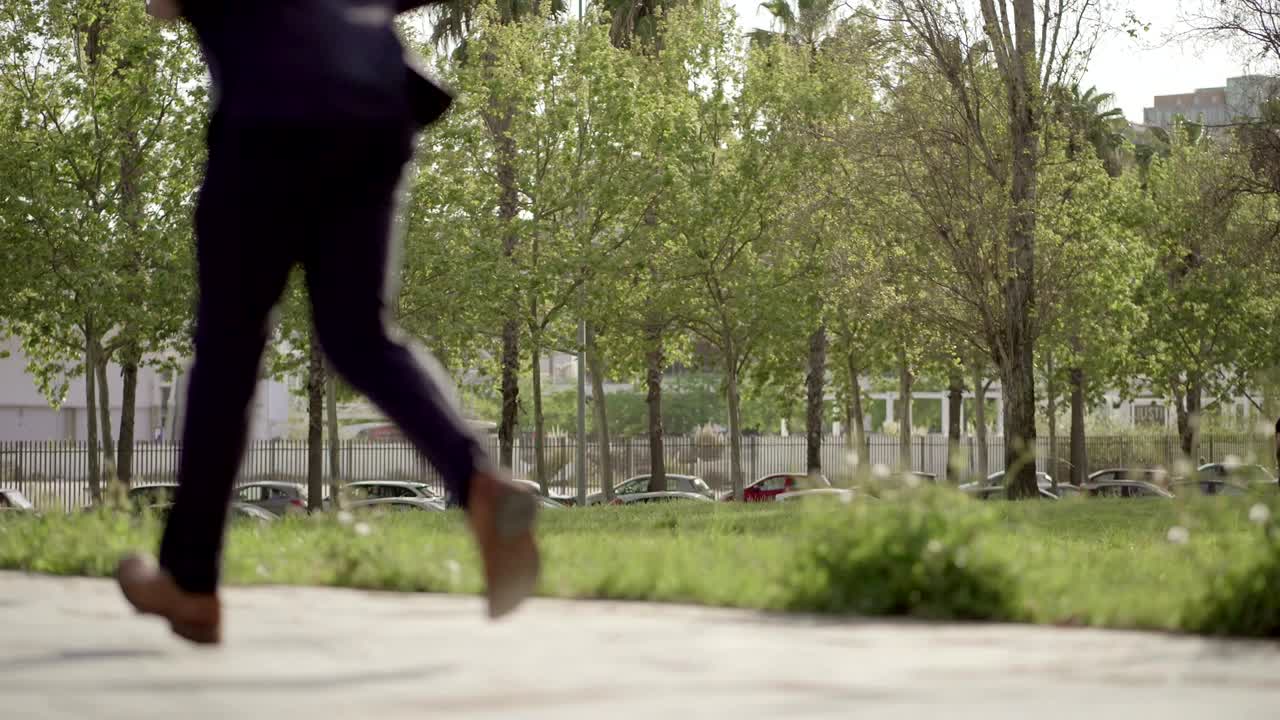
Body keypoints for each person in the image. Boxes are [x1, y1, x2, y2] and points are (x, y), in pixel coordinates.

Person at [118, 0, 540, 645]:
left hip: (271, 119)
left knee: (229, 350)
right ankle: (477, 480)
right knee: (359, 335)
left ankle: (190, 583)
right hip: (374, 113)